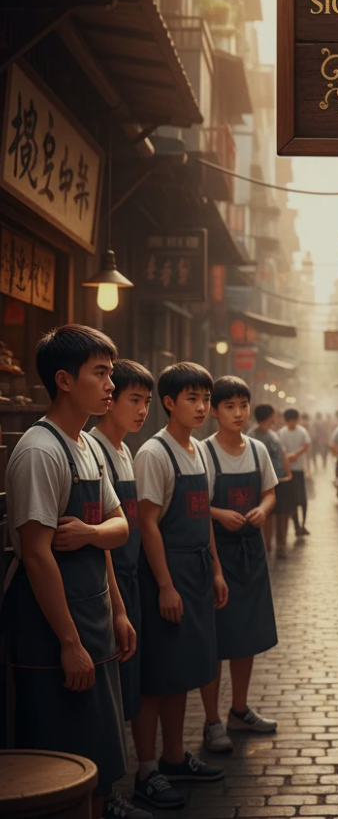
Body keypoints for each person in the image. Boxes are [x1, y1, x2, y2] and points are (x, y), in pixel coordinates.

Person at [2, 326, 134, 819]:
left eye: (111, 373)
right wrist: (69, 641)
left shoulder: (90, 446)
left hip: (95, 613)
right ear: (63, 379)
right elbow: (36, 554)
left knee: (97, 738)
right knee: (58, 751)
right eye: (100, 373)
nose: (110, 386)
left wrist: (117, 609)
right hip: (52, 628)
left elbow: (118, 528)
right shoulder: (41, 450)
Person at [132, 363, 226, 810]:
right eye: (192, 398)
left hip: (198, 571)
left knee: (182, 672)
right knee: (157, 675)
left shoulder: (200, 452)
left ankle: (173, 757)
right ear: (168, 403)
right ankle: (147, 768)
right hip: (166, 575)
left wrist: (216, 570)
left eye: (205, 399)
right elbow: (147, 524)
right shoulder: (154, 453)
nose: (202, 407)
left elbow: (203, 513)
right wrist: (166, 586)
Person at [91, 358, 157, 819]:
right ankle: (102, 794)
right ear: (109, 399)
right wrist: (117, 604)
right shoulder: (94, 450)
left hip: (132, 584)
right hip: (107, 588)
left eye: (146, 402)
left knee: (128, 690)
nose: (141, 411)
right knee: (108, 694)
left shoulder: (125, 451)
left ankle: (137, 776)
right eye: (134, 400)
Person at [199, 376, 279, 752]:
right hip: (218, 552)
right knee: (216, 639)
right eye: (229, 406)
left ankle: (240, 710)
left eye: (243, 405)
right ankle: (212, 721)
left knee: (247, 635)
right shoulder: (204, 452)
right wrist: (219, 514)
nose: (238, 413)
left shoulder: (258, 450)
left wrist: (262, 511)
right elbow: (196, 504)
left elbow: (269, 492)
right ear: (214, 411)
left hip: (251, 552)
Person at [248, 402, 292, 556]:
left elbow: (282, 455)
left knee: (282, 513)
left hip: (280, 478)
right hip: (263, 480)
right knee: (267, 514)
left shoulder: (274, 434)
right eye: (273, 414)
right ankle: (266, 545)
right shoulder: (252, 436)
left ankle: (281, 545)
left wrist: (288, 473)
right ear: (269, 416)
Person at [278, 408, 312, 538]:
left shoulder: (302, 431)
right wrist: (287, 456)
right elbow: (280, 448)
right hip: (287, 470)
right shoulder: (281, 432)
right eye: (290, 421)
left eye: (294, 421)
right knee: (291, 499)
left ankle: (303, 524)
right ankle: (297, 525)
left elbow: (306, 445)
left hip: (299, 469)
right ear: (286, 421)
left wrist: (297, 454)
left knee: (302, 498)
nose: (292, 423)